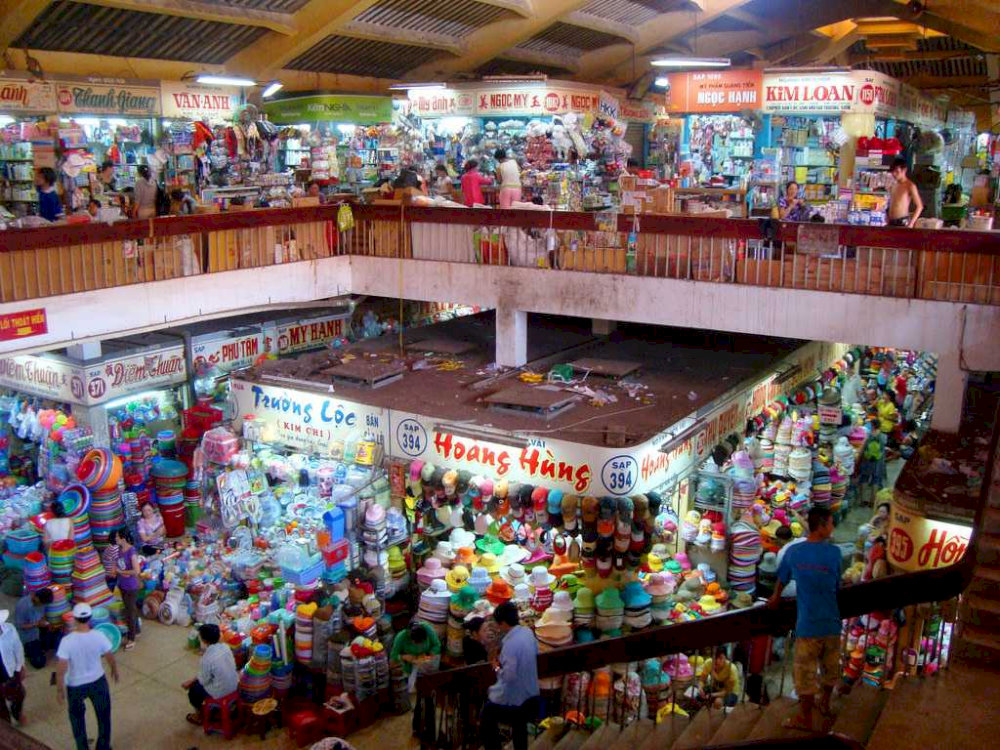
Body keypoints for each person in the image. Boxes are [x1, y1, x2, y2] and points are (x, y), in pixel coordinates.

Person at [768, 506, 842, 732]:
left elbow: (781, 578)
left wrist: (775, 598)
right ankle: (825, 704)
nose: (832, 528)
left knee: (805, 673)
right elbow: (836, 584)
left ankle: (805, 717)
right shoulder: (835, 553)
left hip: (808, 624)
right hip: (831, 622)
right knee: (830, 669)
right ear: (821, 526)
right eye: (830, 523)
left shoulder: (794, 552)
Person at [56, 603, 118, 750]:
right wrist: (114, 670)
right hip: (98, 681)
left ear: (75, 620)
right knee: (104, 717)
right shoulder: (99, 636)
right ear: (90, 618)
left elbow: (61, 669)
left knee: (77, 720)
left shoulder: (67, 641)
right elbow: (110, 656)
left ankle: (82, 747)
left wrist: (60, 689)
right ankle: (103, 746)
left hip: (75, 686)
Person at [480, 601, 538, 750]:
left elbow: (509, 677)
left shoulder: (511, 644)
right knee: (519, 723)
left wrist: (496, 668)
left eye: (499, 624)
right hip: (532, 692)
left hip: (517, 699)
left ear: (504, 623)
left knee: (487, 714)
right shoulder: (528, 633)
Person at [390, 621, 441, 735]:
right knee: (418, 699)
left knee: (428, 699)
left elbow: (437, 645)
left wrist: (428, 656)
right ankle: (417, 727)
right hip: (411, 670)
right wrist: (404, 657)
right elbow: (393, 657)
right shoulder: (401, 637)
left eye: (420, 642)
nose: (418, 645)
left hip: (427, 667)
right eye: (415, 642)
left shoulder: (428, 629)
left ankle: (429, 729)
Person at [181, 623, 238, 726]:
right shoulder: (225, 647)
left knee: (194, 691)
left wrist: (191, 682)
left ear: (204, 641)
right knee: (205, 679)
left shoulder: (207, 659)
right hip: (234, 685)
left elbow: (203, 680)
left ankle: (199, 716)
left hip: (221, 692)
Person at [14, 588, 53, 669]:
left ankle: (39, 647)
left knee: (54, 642)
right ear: (37, 598)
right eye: (42, 603)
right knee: (39, 663)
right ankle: (27, 649)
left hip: (38, 629)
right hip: (28, 636)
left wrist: (45, 622)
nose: (42, 606)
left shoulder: (41, 602)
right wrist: (37, 624)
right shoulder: (23, 606)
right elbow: (20, 626)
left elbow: (43, 614)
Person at [0, 609, 26, 724]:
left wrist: (20, 666)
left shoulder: (10, 629)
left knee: (19, 694)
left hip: (11, 671)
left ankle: (16, 712)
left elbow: (18, 648)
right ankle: (6, 722)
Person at [116, 530, 141, 649]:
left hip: (131, 586)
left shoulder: (131, 551)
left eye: (117, 537)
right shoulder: (120, 551)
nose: (115, 539)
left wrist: (122, 572)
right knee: (130, 609)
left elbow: (136, 571)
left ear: (123, 539)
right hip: (123, 585)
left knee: (129, 612)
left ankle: (131, 638)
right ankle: (137, 630)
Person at [857, 421, 887, 506]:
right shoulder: (883, 437)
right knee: (876, 480)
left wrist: (858, 459)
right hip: (878, 461)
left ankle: (863, 500)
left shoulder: (868, 435)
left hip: (867, 460)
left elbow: (862, 449)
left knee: (864, 478)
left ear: (872, 426)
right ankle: (872, 501)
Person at [888, 158, 923, 228]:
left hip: (902, 222)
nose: (894, 174)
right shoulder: (894, 185)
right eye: (892, 171)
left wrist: (911, 223)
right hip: (890, 221)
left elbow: (919, 206)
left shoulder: (910, 186)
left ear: (904, 170)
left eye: (897, 171)